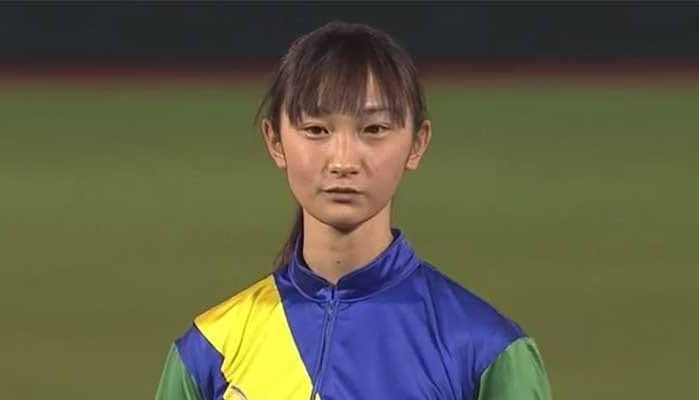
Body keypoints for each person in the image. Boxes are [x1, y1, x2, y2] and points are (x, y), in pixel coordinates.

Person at [154, 21, 551, 400]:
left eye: (373, 129)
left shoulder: (485, 350)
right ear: (275, 141)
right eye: (316, 130)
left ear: (417, 143)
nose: (343, 161)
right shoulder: (210, 350)